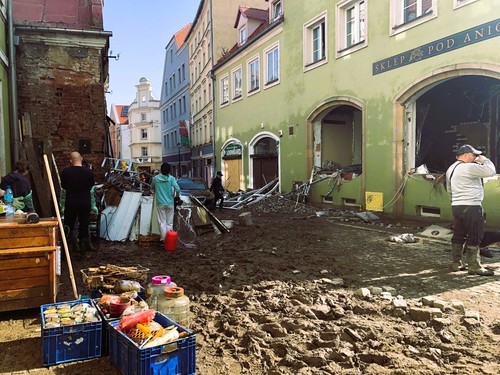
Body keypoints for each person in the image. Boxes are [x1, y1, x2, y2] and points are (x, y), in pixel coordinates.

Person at [445, 144, 496, 276]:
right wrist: (484, 160)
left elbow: (449, 189)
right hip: (471, 206)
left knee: (458, 235)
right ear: (466, 154)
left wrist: (455, 203)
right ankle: (474, 266)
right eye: (474, 155)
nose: (475, 158)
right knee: (475, 236)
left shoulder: (451, 168)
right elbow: (491, 171)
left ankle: (456, 264)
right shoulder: (468, 167)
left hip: (456, 205)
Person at [60, 152, 95, 258]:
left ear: (71, 161)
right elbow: (91, 186)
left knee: (68, 226)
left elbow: (64, 186)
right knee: (84, 225)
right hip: (85, 202)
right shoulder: (88, 172)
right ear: (82, 159)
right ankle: (83, 252)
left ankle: (66, 252)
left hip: (71, 202)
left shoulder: (66, 172)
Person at [151, 162, 180, 241]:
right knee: (169, 223)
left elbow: (152, 188)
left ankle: (163, 238)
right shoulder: (171, 179)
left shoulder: (156, 178)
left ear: (161, 169)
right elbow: (178, 189)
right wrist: (177, 197)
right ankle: (169, 239)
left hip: (160, 203)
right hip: (170, 203)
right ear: (169, 170)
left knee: (162, 222)